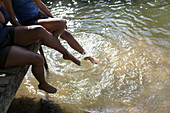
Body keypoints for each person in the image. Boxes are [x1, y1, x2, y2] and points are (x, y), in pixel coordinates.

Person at [0, 2, 81, 93]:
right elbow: (9, 19)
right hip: (2, 45)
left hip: (7, 33)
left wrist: (26, 34)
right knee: (38, 59)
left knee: (40, 30)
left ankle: (67, 53)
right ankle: (43, 83)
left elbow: (4, 20)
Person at [1, 0, 99, 64]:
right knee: (62, 23)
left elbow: (40, 4)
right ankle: (56, 41)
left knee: (65, 32)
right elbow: (13, 19)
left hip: (39, 16)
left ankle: (86, 55)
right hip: (29, 22)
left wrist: (52, 18)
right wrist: (25, 32)